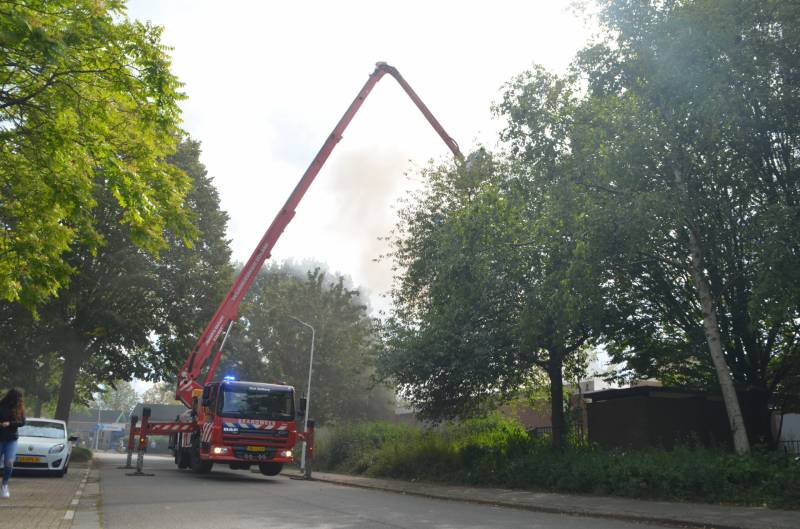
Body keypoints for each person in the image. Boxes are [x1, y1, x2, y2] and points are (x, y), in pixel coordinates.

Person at [0, 389, 26, 499]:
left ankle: (4, 484)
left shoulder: (19, 408)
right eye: (18, 397)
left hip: (12, 439)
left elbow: (23, 422)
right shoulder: (1, 406)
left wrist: (10, 423)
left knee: (9, 462)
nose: (20, 400)